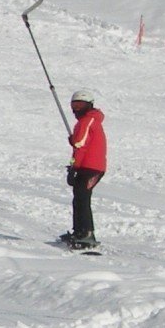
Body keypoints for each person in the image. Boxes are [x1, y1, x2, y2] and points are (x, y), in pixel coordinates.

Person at [61, 89, 106, 249]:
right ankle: (80, 231)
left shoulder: (87, 120)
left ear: (89, 105)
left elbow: (80, 145)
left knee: (82, 198)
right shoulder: (88, 120)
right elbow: (80, 143)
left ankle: (87, 233)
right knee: (79, 197)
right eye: (74, 105)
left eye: (80, 105)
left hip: (91, 167)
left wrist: (75, 166)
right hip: (88, 166)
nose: (76, 109)